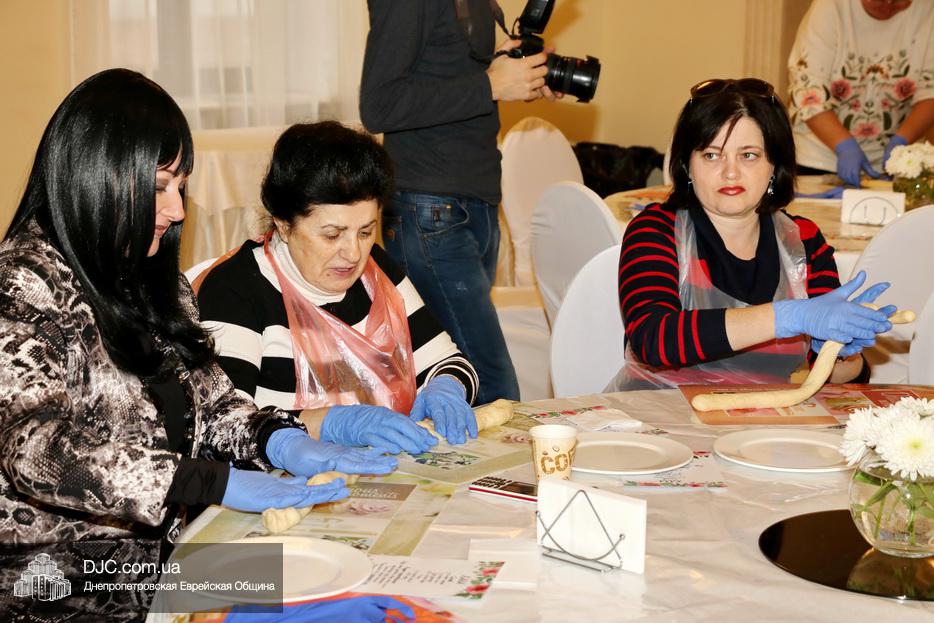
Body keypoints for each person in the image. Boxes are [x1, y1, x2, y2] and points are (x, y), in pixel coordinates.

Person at [0, 69, 407, 622]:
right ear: (97, 178)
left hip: (163, 572)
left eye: (181, 186)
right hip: (58, 586)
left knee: (352, 584)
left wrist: (278, 439)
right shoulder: (23, 284)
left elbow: (214, 403)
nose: (178, 210)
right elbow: (35, 450)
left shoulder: (155, 281)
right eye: (159, 188)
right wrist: (204, 480)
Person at [197, 121, 480, 448]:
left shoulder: (377, 273)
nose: (353, 253)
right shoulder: (236, 289)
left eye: (365, 232)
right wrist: (329, 424)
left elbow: (449, 362)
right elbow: (225, 427)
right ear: (284, 225)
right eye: (332, 235)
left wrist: (446, 387)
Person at [612, 78, 897, 392]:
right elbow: (654, 340)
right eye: (711, 155)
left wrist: (840, 350)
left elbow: (837, 377)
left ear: (774, 165)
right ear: (687, 166)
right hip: (658, 412)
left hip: (762, 418)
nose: (730, 172)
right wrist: (787, 317)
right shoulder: (655, 229)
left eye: (748, 155)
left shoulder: (803, 241)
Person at [359, 0, 562, 404]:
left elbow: (444, 71)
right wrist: (490, 85)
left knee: (454, 385)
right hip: (430, 209)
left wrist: (511, 73)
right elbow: (378, 105)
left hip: (472, 201)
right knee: (494, 388)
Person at [788, 0, 934, 186]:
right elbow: (808, 88)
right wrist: (844, 145)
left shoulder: (928, 10)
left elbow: (930, 91)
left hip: (897, 164)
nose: (888, 3)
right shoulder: (829, 7)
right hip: (819, 159)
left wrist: (902, 140)